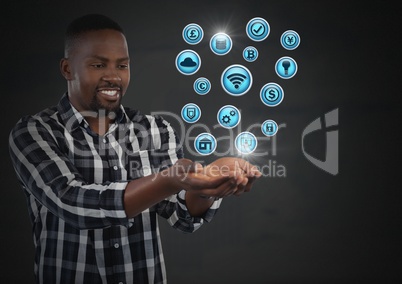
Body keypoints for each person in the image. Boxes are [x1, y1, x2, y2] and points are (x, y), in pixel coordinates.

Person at [9, 14, 261, 284]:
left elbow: (184, 216)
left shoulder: (156, 130)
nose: (113, 77)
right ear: (67, 68)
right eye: (98, 64)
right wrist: (169, 180)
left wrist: (208, 183)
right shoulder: (34, 132)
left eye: (122, 66)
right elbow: (71, 202)